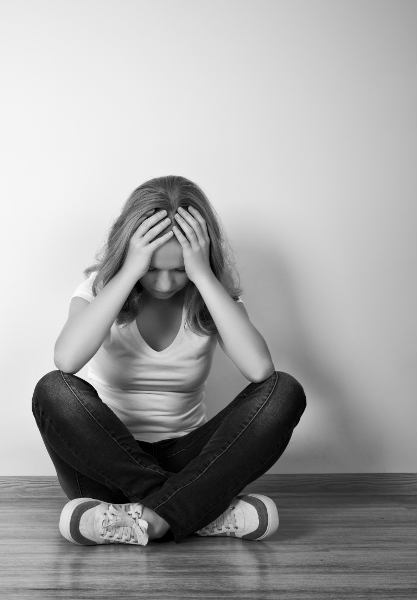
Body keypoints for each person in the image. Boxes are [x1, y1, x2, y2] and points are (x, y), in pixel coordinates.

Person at [32, 175, 306, 547]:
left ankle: (146, 516)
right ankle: (192, 511)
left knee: (284, 391)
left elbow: (260, 370)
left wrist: (203, 275)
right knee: (52, 390)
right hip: (105, 466)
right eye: (151, 269)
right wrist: (129, 271)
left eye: (179, 270)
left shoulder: (212, 296)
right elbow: (66, 360)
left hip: (187, 461)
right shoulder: (99, 290)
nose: (164, 284)